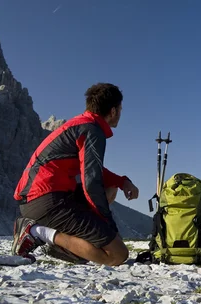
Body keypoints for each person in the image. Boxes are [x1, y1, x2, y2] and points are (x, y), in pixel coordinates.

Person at [11, 83, 139, 266]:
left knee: (110, 188)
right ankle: (36, 232)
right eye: (120, 109)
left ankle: (57, 243)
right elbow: (92, 182)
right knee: (117, 255)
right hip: (45, 200)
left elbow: (92, 169)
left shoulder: (83, 124)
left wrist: (122, 181)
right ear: (113, 111)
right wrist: (108, 224)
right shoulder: (92, 130)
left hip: (41, 198)